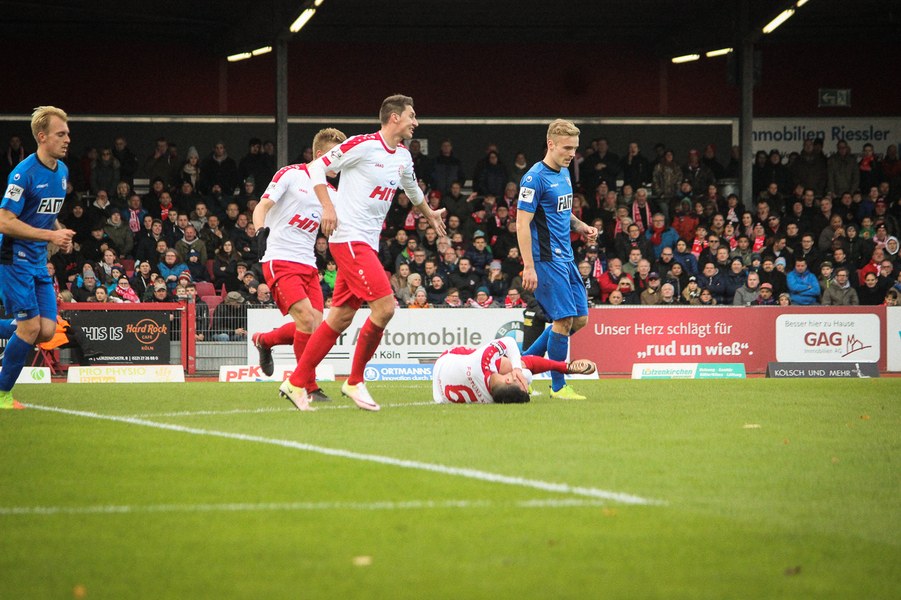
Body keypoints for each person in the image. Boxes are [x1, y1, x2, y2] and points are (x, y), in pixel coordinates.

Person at [282, 95, 446, 412]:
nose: (416, 122)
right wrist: (328, 207)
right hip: (349, 239)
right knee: (385, 308)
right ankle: (355, 381)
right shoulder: (363, 145)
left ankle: (296, 381)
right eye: (412, 116)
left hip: (367, 244)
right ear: (394, 117)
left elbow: (412, 190)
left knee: (340, 317)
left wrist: (428, 213)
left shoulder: (403, 156)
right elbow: (316, 167)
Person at [0, 106, 76, 409]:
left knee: (45, 331)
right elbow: (4, 221)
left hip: (37, 259)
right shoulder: (23, 173)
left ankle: (18, 327)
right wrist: (50, 237)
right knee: (30, 328)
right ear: (42, 137)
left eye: (68, 133)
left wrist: (59, 232)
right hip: (14, 258)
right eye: (61, 134)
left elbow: (45, 211)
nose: (67, 139)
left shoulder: (62, 171)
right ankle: (2, 394)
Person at [516, 119, 598, 401]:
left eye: (574, 148)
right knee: (563, 320)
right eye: (566, 148)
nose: (572, 154)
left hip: (566, 258)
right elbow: (522, 223)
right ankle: (559, 386)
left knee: (580, 319)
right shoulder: (534, 179)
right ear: (551, 144)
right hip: (546, 259)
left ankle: (522, 366)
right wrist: (529, 266)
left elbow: (561, 212)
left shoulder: (563, 173)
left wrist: (580, 226)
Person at [432, 337, 596, 405]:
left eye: (522, 383)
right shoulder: (491, 399)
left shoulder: (481, 362)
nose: (522, 381)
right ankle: (560, 361)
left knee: (514, 365)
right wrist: (519, 370)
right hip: (439, 393)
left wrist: (516, 367)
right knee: (525, 372)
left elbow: (508, 341)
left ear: (508, 380)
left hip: (445, 361)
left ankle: (563, 365)